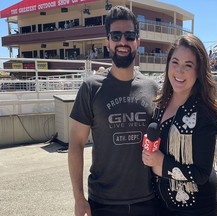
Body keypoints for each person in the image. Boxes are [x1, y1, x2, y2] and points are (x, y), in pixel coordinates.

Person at [68, 6, 159, 216]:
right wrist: (79, 198)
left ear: (137, 41)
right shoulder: (90, 88)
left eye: (129, 36)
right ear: (107, 42)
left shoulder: (152, 88)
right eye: (116, 36)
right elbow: (76, 144)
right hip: (103, 203)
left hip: (147, 201)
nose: (123, 42)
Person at [142, 34, 217, 216]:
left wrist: (161, 163)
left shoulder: (204, 113)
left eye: (188, 65)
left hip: (197, 209)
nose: (179, 71)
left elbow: (202, 173)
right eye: (175, 62)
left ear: (199, 70)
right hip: (160, 203)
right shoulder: (160, 103)